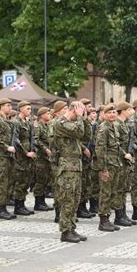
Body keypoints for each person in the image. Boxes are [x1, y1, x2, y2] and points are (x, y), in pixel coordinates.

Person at [53, 101, 88, 243]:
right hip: (67, 166)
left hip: (75, 165)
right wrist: (79, 117)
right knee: (68, 199)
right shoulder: (60, 123)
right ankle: (65, 231)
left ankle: (72, 228)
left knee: (75, 199)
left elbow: (86, 135)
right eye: (80, 110)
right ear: (73, 109)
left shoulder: (73, 123)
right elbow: (79, 132)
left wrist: (83, 118)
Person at [94, 103, 122, 232]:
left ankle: (108, 218)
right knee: (105, 193)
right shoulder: (103, 128)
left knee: (112, 192)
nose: (112, 114)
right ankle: (103, 221)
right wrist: (103, 169)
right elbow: (100, 150)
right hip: (107, 165)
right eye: (109, 112)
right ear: (104, 115)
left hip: (115, 163)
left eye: (114, 112)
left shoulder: (114, 127)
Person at [0, 98, 17, 220]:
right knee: (2, 183)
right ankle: (0, 210)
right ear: (1, 107)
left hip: (8, 157)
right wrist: (7, 147)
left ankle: (3, 207)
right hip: (1, 157)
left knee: (7, 182)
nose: (10, 107)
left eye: (10, 105)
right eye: (7, 105)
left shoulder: (6, 121)